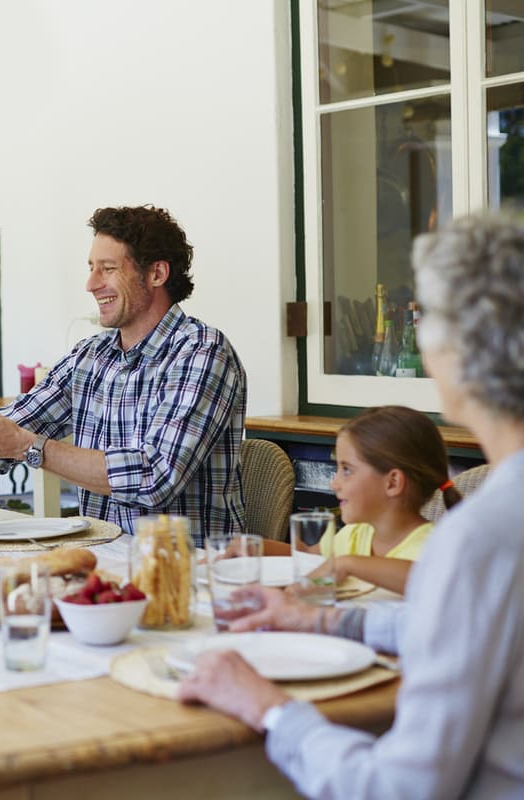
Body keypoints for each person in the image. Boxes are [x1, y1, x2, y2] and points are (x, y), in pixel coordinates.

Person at [177, 214, 524, 797]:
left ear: (455, 352)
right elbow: (455, 632)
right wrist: (319, 619)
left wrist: (269, 707)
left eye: (424, 317)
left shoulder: (482, 539)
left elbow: (398, 790)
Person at [0, 205, 246, 545]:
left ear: (157, 274)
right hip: (102, 561)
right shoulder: (91, 355)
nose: (91, 283)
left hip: (190, 572)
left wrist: (27, 447)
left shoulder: (202, 351)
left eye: (108, 268)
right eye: (91, 267)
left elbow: (155, 477)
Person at [256, 405, 461, 594]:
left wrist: (347, 564)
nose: (333, 484)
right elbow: (308, 556)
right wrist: (253, 548)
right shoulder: (357, 534)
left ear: (392, 483)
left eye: (346, 470)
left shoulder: (434, 548)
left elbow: (430, 579)